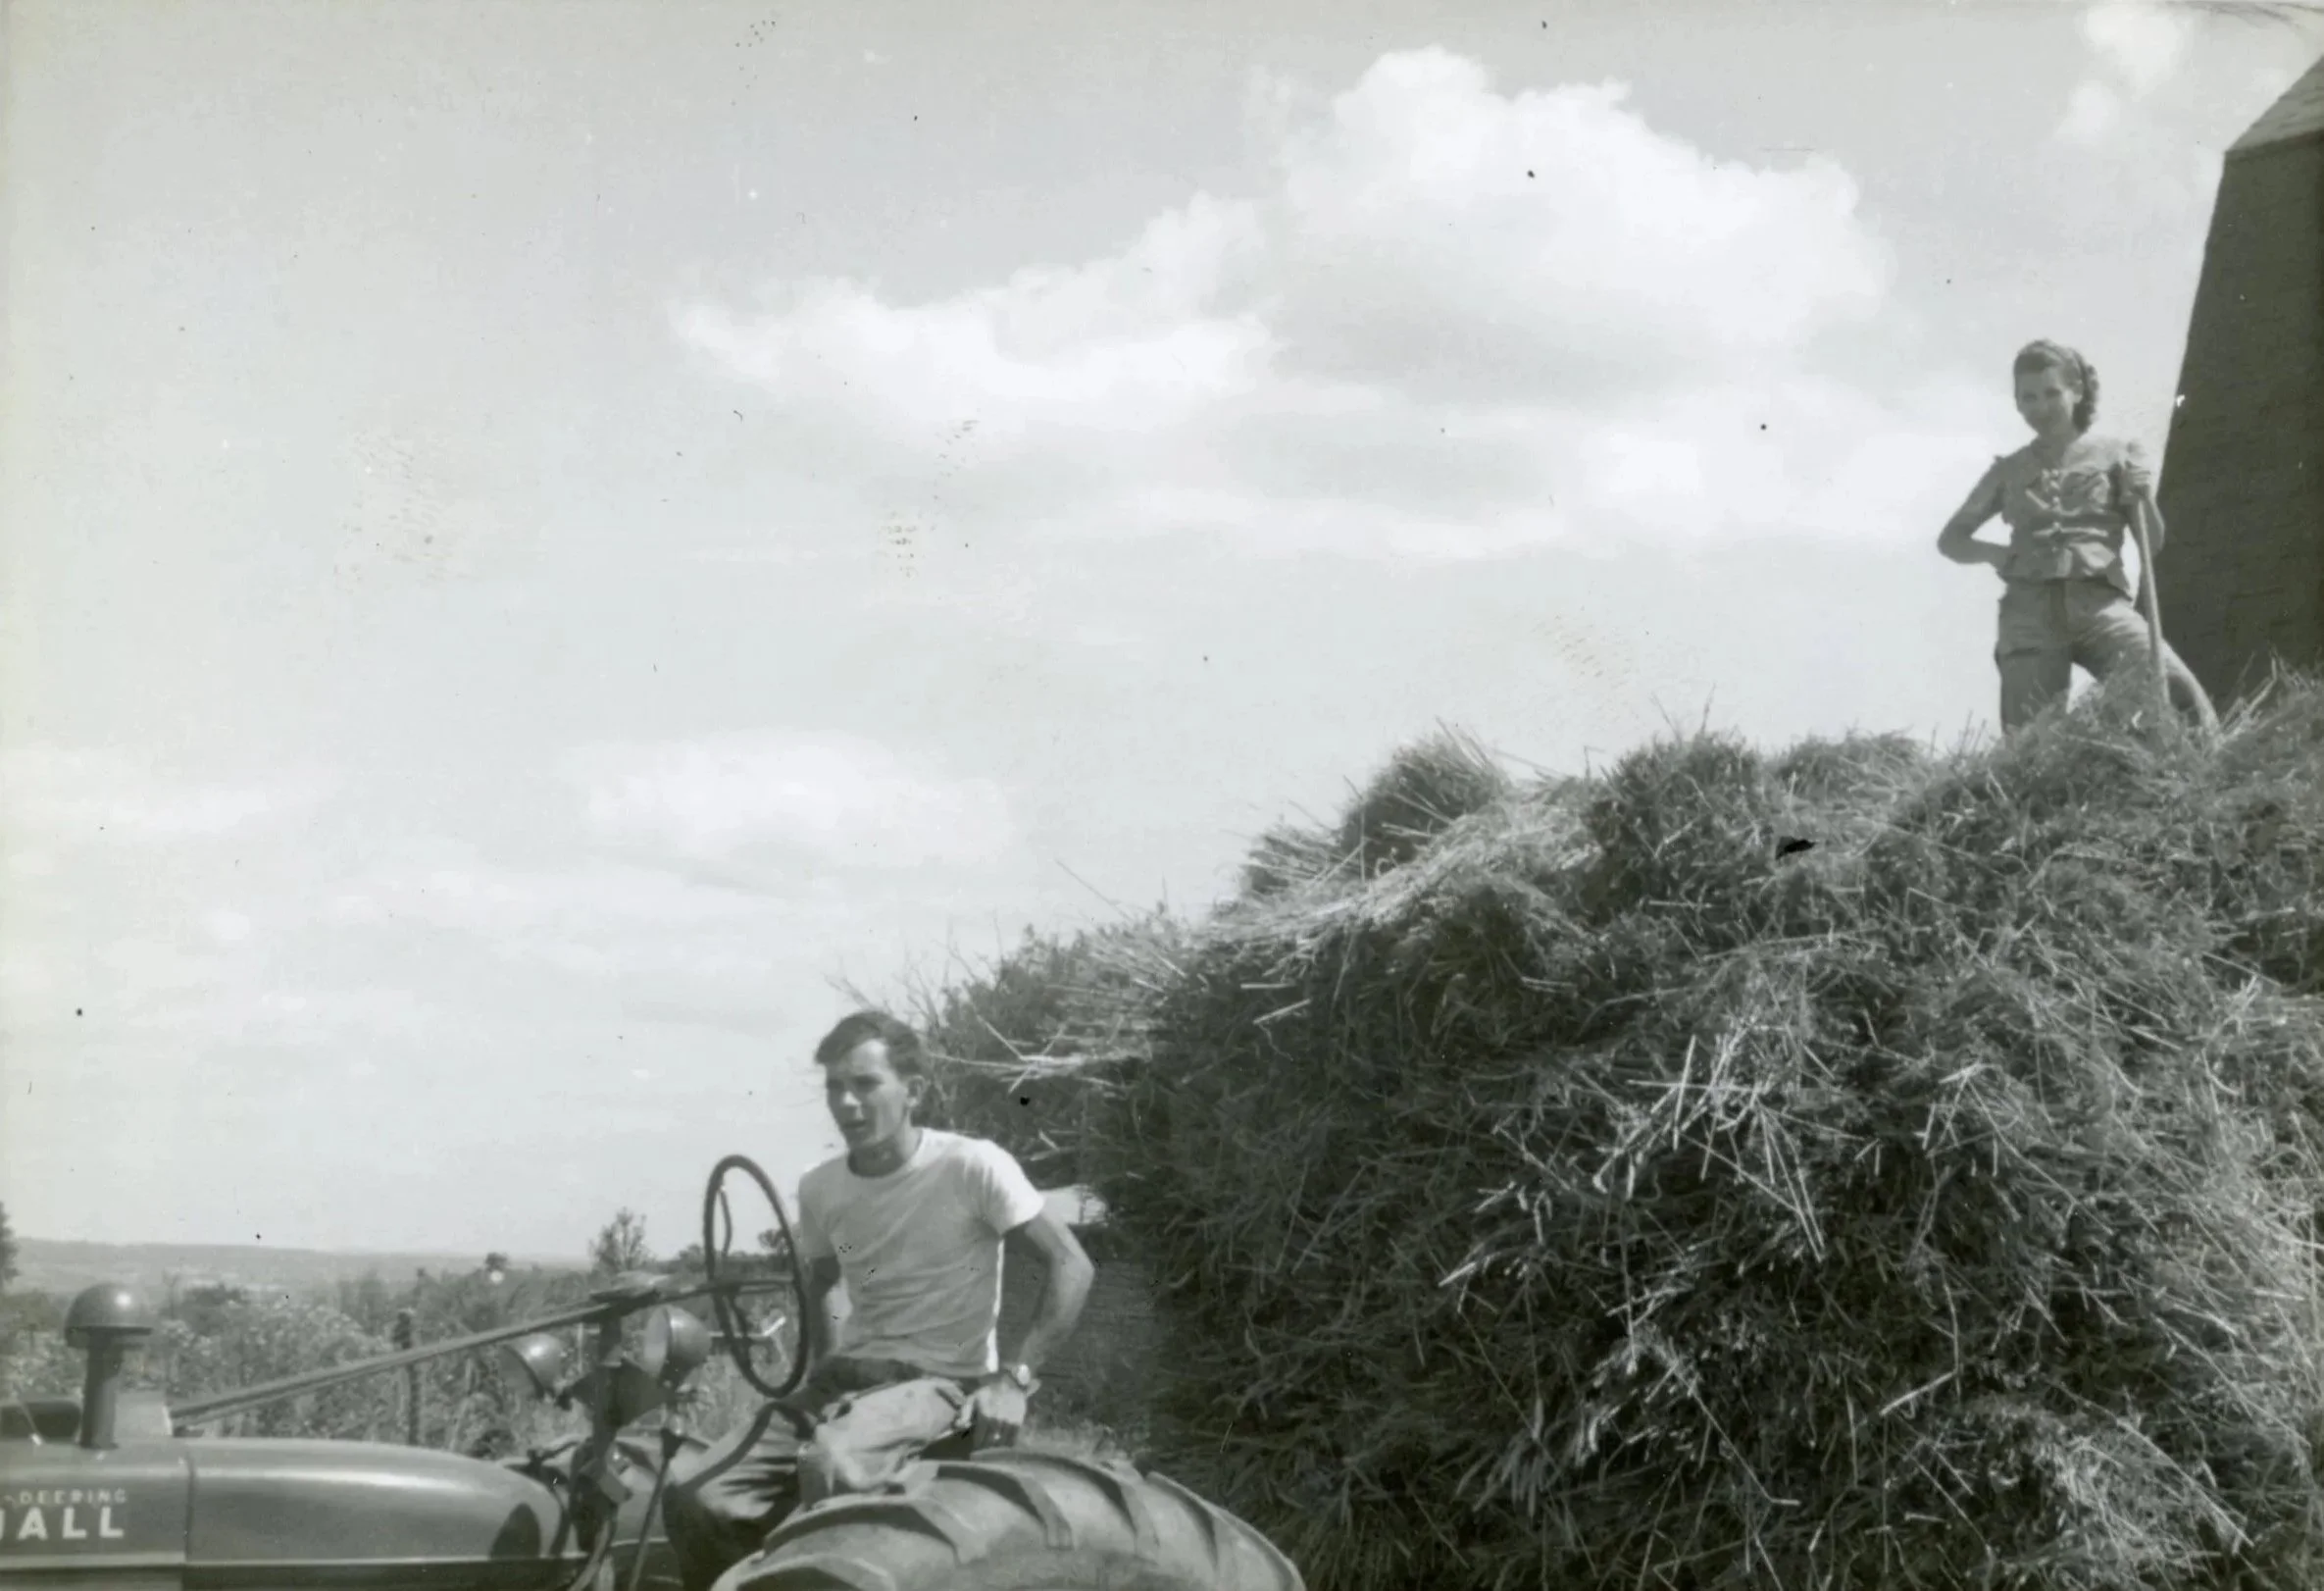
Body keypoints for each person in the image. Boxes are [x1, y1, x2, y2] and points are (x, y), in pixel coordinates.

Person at [661, 1010, 1096, 1591]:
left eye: (864, 1084)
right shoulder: (822, 1187)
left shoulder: (971, 1166)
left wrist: (1014, 1380)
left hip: (941, 1380)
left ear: (912, 1091)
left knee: (835, 1464)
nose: (846, 1104)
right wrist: (822, 1368)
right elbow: (822, 1284)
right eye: (835, 1088)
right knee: (696, 1492)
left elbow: (1072, 1264)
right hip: (848, 1378)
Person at [1936, 338, 2219, 737]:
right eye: (2028, 397)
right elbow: (1951, 540)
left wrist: (2144, 499)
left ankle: (2203, 783)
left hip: (2099, 607)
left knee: (2175, 693)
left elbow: (2151, 544)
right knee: (2031, 744)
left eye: (2052, 393)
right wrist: (1996, 555)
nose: (2041, 408)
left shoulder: (2117, 454)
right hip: (2028, 617)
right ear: (2017, 403)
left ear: (2078, 392)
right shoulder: (2006, 471)